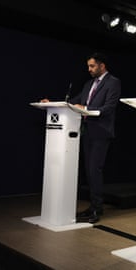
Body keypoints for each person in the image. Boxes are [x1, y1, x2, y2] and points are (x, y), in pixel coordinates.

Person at [43, 52, 121, 224]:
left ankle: (97, 209)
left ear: (102, 66)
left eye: (92, 66)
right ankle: (92, 206)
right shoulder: (88, 84)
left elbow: (109, 107)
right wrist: (52, 103)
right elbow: (73, 101)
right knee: (89, 171)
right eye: (88, 66)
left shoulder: (113, 82)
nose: (89, 69)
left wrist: (86, 107)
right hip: (87, 131)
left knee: (95, 170)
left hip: (101, 131)